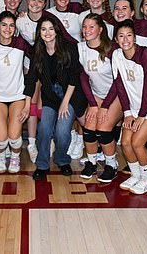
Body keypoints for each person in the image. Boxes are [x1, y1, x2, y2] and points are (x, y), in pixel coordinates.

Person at [111, 19, 147, 194]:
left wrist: (142, 115)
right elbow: (120, 86)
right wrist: (128, 113)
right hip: (135, 108)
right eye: (121, 36)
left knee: (137, 143)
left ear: (135, 38)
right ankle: (136, 176)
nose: (125, 39)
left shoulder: (146, 54)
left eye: (129, 35)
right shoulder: (116, 56)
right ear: (116, 39)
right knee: (125, 143)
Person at [25, 16, 87, 181]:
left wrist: (65, 103)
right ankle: (42, 164)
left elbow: (74, 76)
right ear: (39, 33)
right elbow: (31, 79)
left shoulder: (69, 48)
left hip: (71, 97)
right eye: (43, 29)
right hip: (50, 98)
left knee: (61, 131)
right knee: (44, 129)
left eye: (51, 29)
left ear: (57, 30)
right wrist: (26, 104)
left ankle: (62, 159)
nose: (47, 32)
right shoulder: (36, 51)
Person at [78, 13, 122, 183]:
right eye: (84, 26)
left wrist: (105, 106)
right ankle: (92, 162)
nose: (87, 30)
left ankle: (112, 164)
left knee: (103, 130)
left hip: (116, 95)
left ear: (100, 29)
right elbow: (83, 77)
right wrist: (93, 103)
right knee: (89, 128)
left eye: (91, 27)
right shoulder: (81, 48)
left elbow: (118, 81)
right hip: (96, 94)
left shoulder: (112, 49)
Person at [0, 11, 31, 173]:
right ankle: (0, 156)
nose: (7, 28)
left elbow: (39, 51)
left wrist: (27, 103)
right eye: (4, 25)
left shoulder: (21, 43)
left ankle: (15, 157)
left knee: (14, 137)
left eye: (11, 25)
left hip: (17, 96)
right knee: (0, 140)